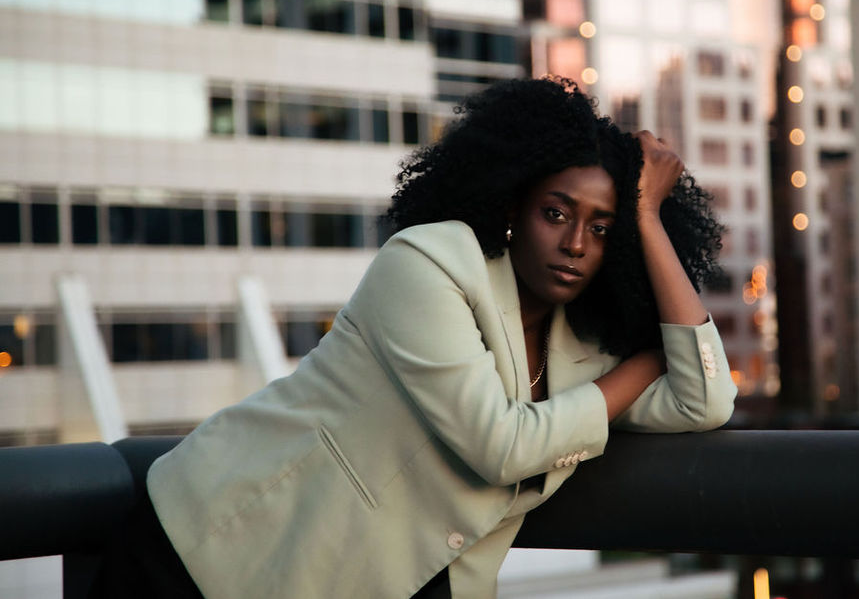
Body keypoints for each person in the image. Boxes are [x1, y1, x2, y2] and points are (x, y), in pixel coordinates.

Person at [99, 77, 736, 599]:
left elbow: (704, 401)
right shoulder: (430, 263)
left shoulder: (585, 348)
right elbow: (502, 445)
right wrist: (649, 359)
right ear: (512, 207)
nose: (575, 243)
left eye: (602, 229)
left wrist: (648, 219)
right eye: (556, 213)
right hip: (210, 554)